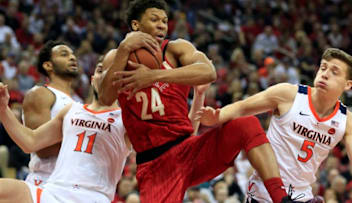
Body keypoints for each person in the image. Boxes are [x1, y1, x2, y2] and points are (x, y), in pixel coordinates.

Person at [100, 0, 290, 202]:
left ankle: (281, 198)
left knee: (247, 123)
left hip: (190, 150)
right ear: (136, 25)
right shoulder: (117, 57)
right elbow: (105, 98)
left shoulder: (176, 49)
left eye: (164, 21)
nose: (161, 25)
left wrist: (154, 76)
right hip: (155, 163)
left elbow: (209, 72)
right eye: (154, 19)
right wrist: (124, 49)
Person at [196, 48, 352, 202]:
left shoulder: (346, 121)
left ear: (347, 85)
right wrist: (216, 117)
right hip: (263, 192)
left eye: (334, 72)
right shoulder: (289, 95)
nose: (325, 74)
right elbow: (241, 107)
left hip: (301, 195)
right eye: (323, 67)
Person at [0, 59, 131, 203]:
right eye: (100, 71)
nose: (104, 76)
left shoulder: (126, 119)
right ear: (92, 79)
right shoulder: (72, 110)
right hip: (54, 192)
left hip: (93, 196)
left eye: (110, 72)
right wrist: (3, 109)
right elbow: (30, 142)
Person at [22, 40, 78, 186]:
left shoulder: (77, 102)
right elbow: (41, 147)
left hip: (70, 182)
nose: (72, 58)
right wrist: (85, 147)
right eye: (64, 54)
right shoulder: (40, 93)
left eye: (73, 54)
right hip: (46, 181)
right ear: (48, 65)